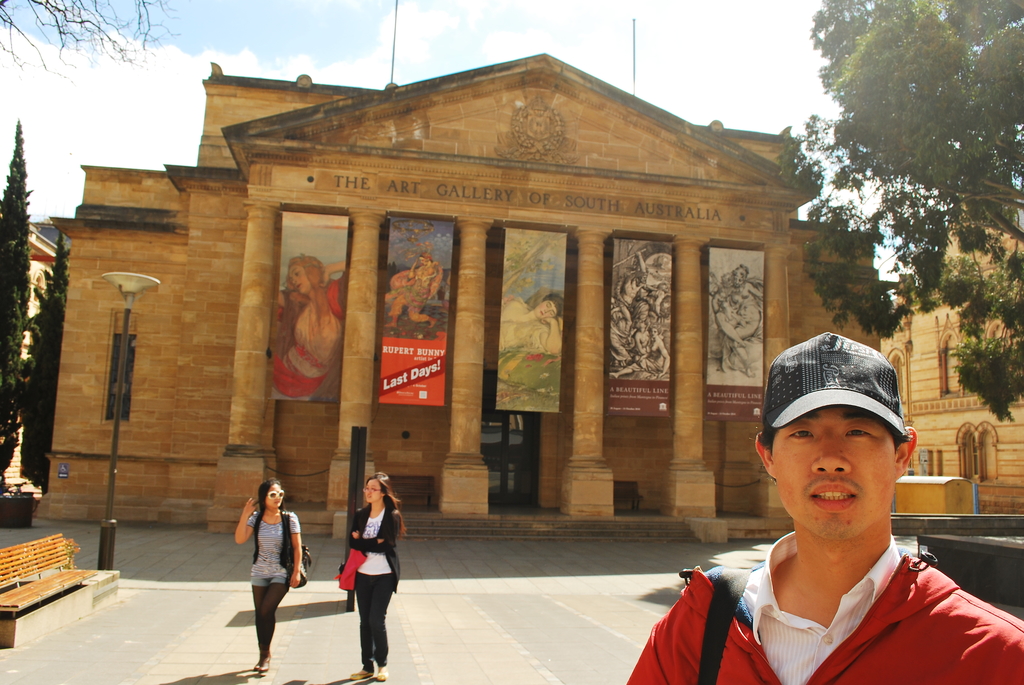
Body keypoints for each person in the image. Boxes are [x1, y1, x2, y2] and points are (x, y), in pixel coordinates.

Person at [629, 332, 1024, 685]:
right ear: (767, 457)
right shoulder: (698, 628)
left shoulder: (995, 654)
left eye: (858, 432)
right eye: (803, 432)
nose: (831, 459)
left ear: (903, 455)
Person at [234, 478, 303, 674]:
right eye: (273, 495)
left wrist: (296, 571)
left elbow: (297, 547)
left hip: (280, 572)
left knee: (266, 609)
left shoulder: (289, 518)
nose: (278, 498)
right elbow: (240, 539)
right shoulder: (256, 518)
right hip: (259, 571)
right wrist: (245, 515)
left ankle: (266, 655)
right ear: (263, 497)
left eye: (280, 494)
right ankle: (264, 654)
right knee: (261, 613)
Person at [348, 472, 406, 682]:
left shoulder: (392, 515)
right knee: (365, 622)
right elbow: (353, 543)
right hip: (363, 574)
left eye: (373, 489)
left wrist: (363, 540)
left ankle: (382, 665)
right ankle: (366, 666)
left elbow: (388, 543)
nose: (368, 492)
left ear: (383, 492)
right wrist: (373, 542)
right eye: (367, 488)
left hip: (384, 575)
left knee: (376, 620)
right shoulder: (361, 515)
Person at [273, 255, 346, 400]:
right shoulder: (300, 304)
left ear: (312, 272)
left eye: (297, 273)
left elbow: (359, 265)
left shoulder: (335, 297)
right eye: (291, 276)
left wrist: (329, 269)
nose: (293, 279)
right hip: (284, 374)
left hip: (313, 384)